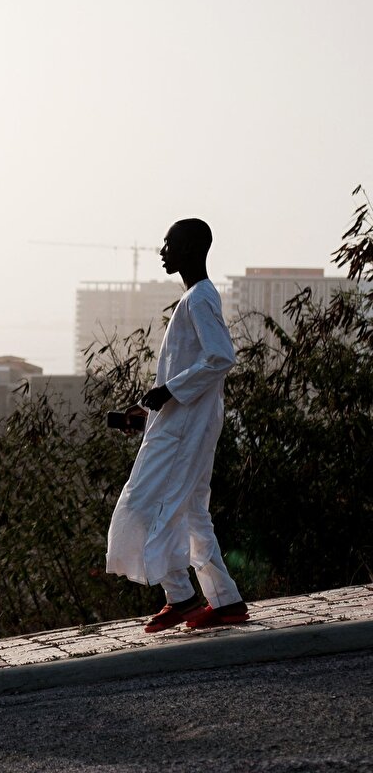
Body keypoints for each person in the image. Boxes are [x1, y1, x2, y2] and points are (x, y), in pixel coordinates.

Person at [106, 218, 248, 632]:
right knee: (190, 514)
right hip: (185, 423)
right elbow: (193, 367)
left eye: (169, 244)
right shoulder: (195, 298)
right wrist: (149, 407)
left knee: (142, 505)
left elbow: (221, 357)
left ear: (188, 249)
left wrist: (169, 392)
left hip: (185, 428)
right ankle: (225, 601)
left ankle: (181, 597)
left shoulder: (199, 298)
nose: (162, 251)